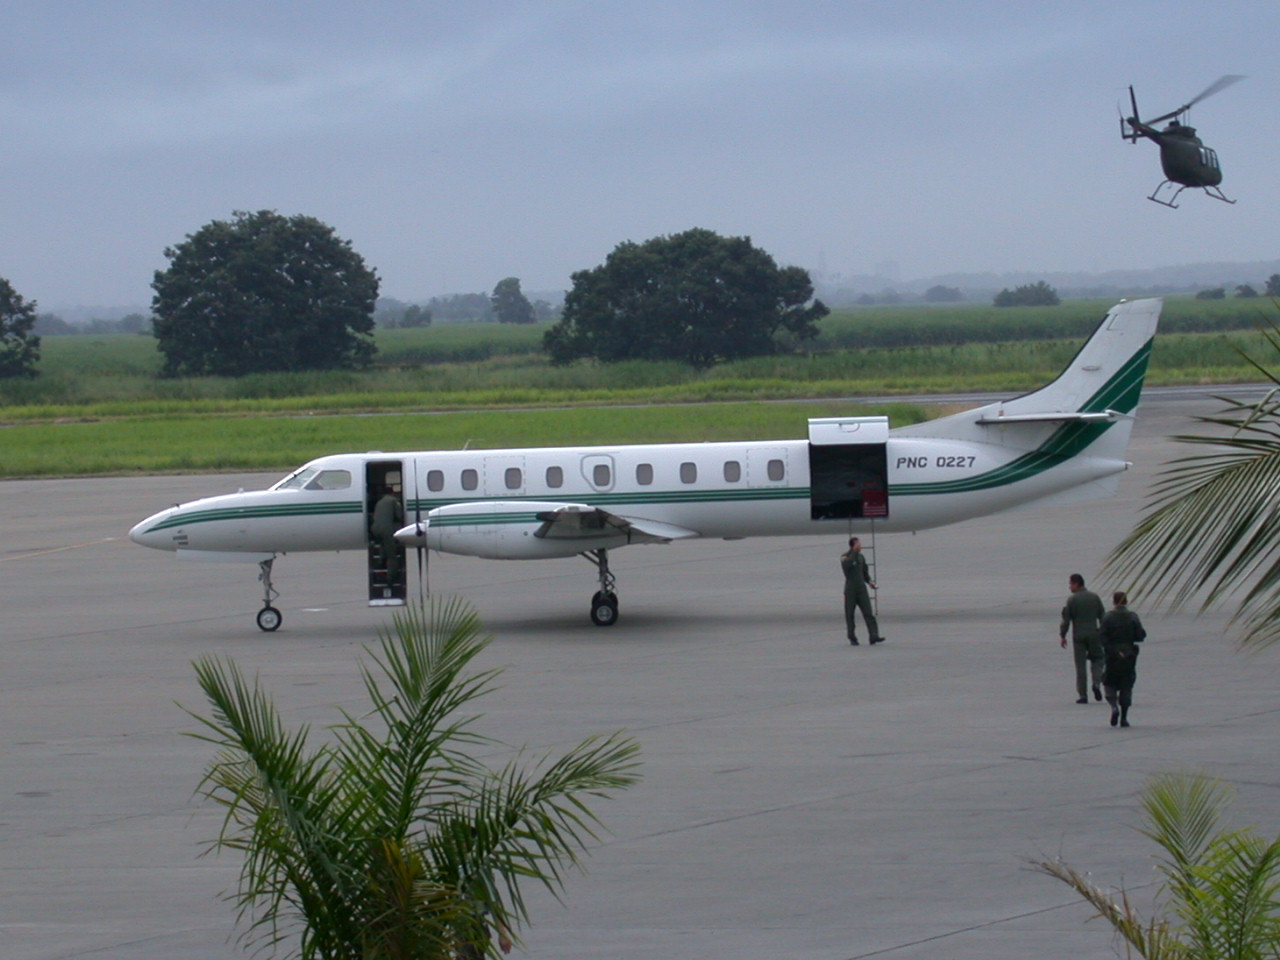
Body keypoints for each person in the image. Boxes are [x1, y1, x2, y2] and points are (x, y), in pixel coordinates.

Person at [1099, 590, 1146, 728]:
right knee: (1127, 683)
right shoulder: (1132, 617)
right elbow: (1140, 636)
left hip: (1112, 655)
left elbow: (1102, 637)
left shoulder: (1107, 617)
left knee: (1109, 682)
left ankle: (1114, 707)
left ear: (1114, 601)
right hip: (1129, 655)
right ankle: (1124, 717)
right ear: (1126, 601)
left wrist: (1110, 649)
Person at [1059, 573, 1105, 703]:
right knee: (1098, 659)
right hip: (1094, 634)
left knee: (1080, 666)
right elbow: (1102, 616)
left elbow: (1066, 620)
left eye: (1070, 584)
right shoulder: (1094, 597)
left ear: (1076, 584)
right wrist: (1103, 632)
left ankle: (1083, 695)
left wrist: (1063, 635)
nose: (1069, 587)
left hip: (1078, 636)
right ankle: (1096, 682)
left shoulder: (1072, 600)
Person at [841, 537, 884, 645]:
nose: (860, 546)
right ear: (853, 545)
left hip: (861, 589)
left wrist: (870, 582)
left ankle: (874, 635)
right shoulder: (845, 557)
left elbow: (865, 572)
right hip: (850, 589)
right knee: (850, 615)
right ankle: (852, 637)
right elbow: (847, 567)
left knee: (868, 613)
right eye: (858, 544)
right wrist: (854, 553)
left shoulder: (861, 557)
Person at [370, 485, 404, 580]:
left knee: (384, 545)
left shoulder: (379, 502)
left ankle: (380, 561)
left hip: (375, 529)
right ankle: (391, 577)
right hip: (386, 529)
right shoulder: (394, 501)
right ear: (392, 493)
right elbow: (399, 516)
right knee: (392, 555)